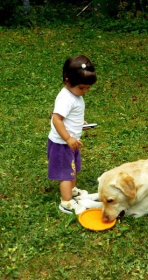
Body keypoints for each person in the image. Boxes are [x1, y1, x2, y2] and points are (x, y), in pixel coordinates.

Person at [47, 55, 97, 215]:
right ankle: (66, 202)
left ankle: (72, 190)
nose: (85, 91)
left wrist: (80, 124)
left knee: (72, 169)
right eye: (82, 88)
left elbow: (69, 116)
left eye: (88, 88)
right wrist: (68, 138)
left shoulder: (75, 95)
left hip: (71, 142)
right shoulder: (66, 99)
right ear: (68, 81)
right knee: (66, 174)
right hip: (62, 144)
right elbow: (56, 119)